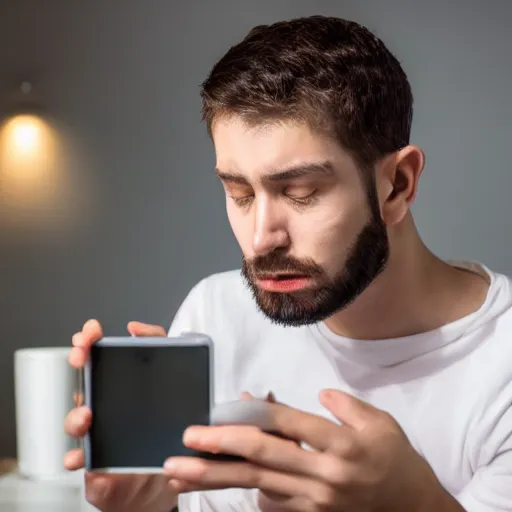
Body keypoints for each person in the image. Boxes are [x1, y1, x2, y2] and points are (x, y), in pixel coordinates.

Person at [64, 14, 512, 512]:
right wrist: (149, 508)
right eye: (238, 192)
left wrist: (419, 506)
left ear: (398, 184)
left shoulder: (501, 368)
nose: (260, 240)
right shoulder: (217, 314)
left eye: (300, 192)